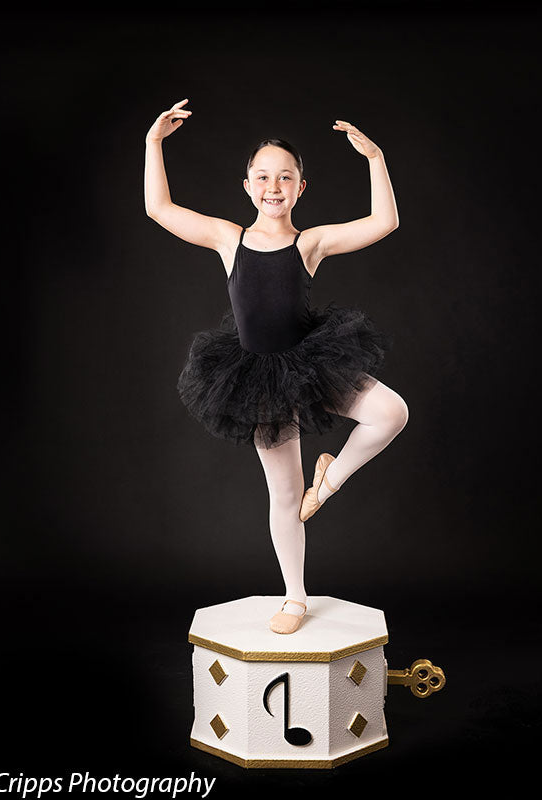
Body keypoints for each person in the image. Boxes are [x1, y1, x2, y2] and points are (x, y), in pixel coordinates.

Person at [144, 98, 409, 635]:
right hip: (257, 380)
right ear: (247, 186)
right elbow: (160, 209)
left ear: (300, 188)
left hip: (312, 363)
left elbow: (386, 221)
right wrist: (153, 144)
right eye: (263, 176)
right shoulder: (229, 239)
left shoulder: (309, 244)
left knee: (391, 412)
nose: (273, 186)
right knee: (283, 495)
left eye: (285, 177)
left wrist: (375, 159)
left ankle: (329, 479)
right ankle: (294, 597)